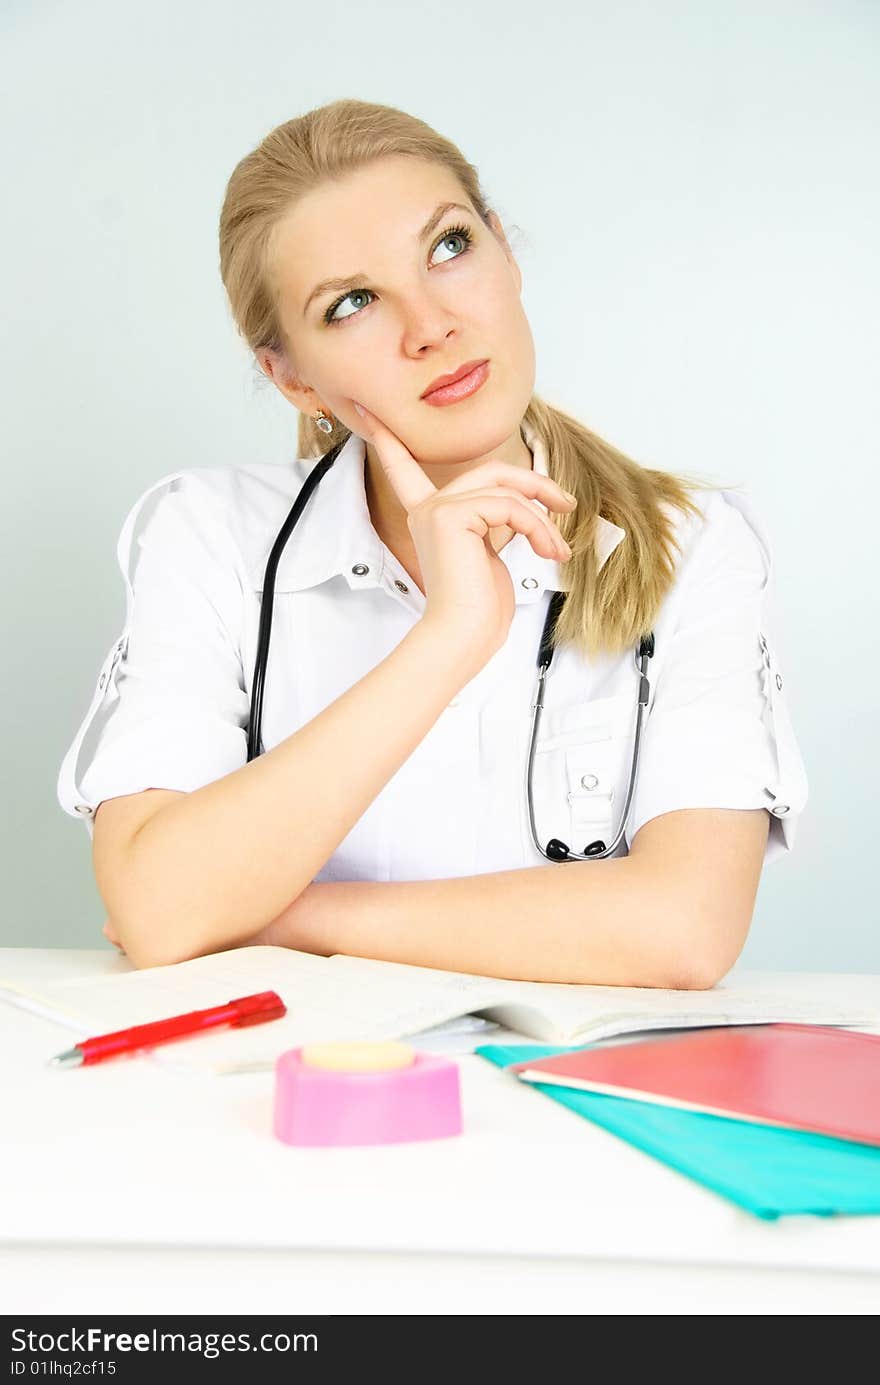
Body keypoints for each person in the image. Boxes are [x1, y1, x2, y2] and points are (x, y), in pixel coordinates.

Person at [57, 99, 808, 982]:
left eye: (450, 247)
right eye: (352, 303)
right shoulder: (210, 533)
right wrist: (450, 636)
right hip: (276, 1091)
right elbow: (155, 909)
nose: (431, 326)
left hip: (559, 1097)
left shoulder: (692, 548)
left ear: (505, 249)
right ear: (291, 378)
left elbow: (686, 932)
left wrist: (278, 914)